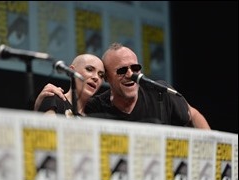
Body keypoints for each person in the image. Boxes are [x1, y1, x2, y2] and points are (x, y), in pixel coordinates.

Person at [35, 43, 210, 129]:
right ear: (109, 81)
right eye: (121, 70)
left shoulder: (159, 93)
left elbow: (193, 114)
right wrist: (41, 105)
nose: (130, 74)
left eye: (135, 68)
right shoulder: (95, 107)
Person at [36, 54, 105, 117]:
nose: (96, 77)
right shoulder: (54, 100)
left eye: (101, 75)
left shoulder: (95, 116)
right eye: (89, 69)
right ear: (72, 71)